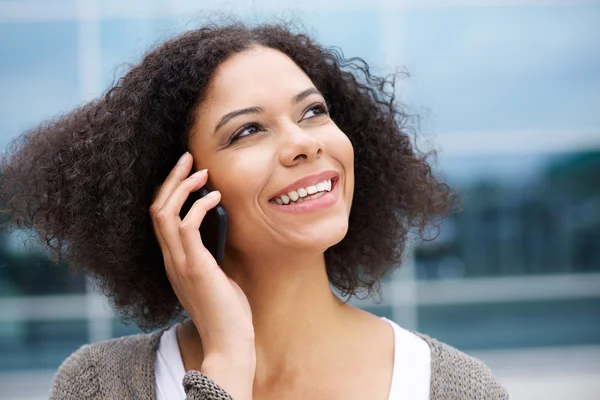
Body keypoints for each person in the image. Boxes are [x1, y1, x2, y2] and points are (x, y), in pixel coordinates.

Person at [0, 20, 509, 399]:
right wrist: (226, 359)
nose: (303, 144)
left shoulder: (453, 387)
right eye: (248, 130)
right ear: (180, 191)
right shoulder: (99, 386)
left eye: (312, 112)